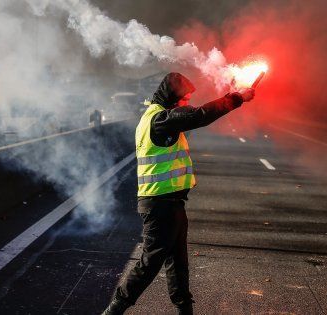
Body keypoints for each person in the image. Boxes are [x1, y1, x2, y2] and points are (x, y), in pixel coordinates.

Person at [102, 73, 255, 315]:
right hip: (159, 204)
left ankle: (184, 310)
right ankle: (113, 311)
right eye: (184, 99)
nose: (186, 104)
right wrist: (236, 98)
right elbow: (199, 115)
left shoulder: (159, 118)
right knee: (149, 265)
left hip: (171, 204)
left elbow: (195, 116)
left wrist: (229, 93)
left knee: (178, 265)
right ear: (172, 98)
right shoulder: (160, 119)